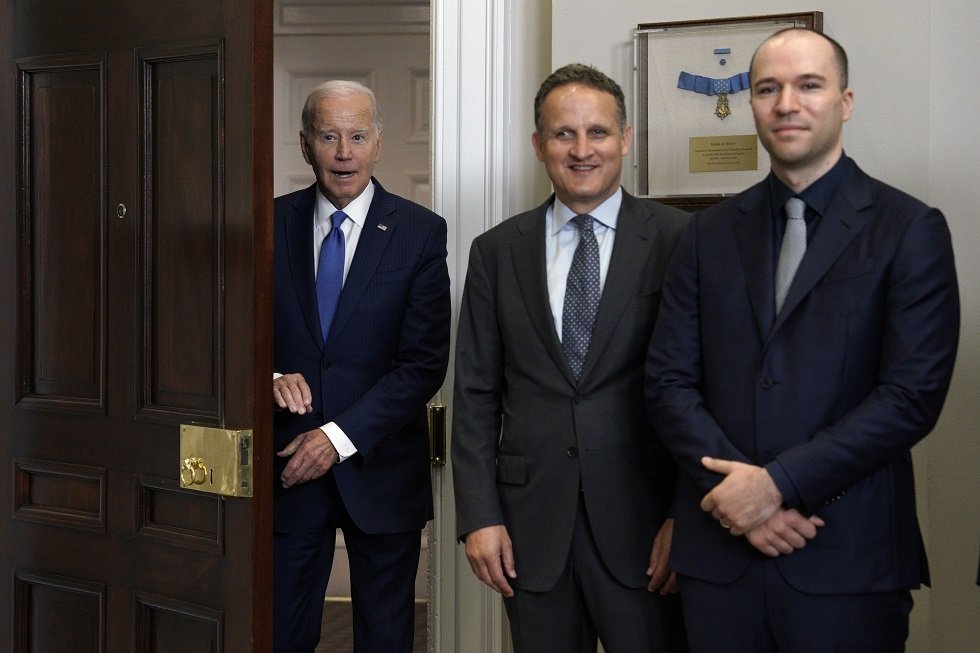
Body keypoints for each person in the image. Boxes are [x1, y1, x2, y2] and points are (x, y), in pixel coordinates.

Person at [646, 28, 960, 652]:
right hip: (719, 561)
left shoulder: (908, 229)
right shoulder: (705, 235)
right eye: (768, 89)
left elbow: (910, 396)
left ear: (845, 101)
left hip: (846, 558)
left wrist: (776, 487)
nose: (786, 103)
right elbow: (667, 383)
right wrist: (737, 498)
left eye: (808, 85)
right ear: (752, 105)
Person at [451, 63, 689, 652]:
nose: (582, 150)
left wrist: (688, 516)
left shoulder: (681, 240)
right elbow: (476, 395)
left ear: (625, 139)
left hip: (648, 526)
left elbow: (704, 390)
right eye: (564, 134)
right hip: (529, 529)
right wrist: (478, 515)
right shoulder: (496, 252)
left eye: (598, 132)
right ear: (539, 145)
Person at [272, 80, 451, 653]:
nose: (344, 152)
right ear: (305, 144)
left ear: (378, 143)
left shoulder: (420, 232)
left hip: (382, 474)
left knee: (385, 639)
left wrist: (336, 438)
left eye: (357, 136)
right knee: (278, 635)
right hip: (287, 473)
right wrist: (267, 377)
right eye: (329, 137)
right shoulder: (266, 224)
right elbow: (227, 337)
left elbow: (423, 364)